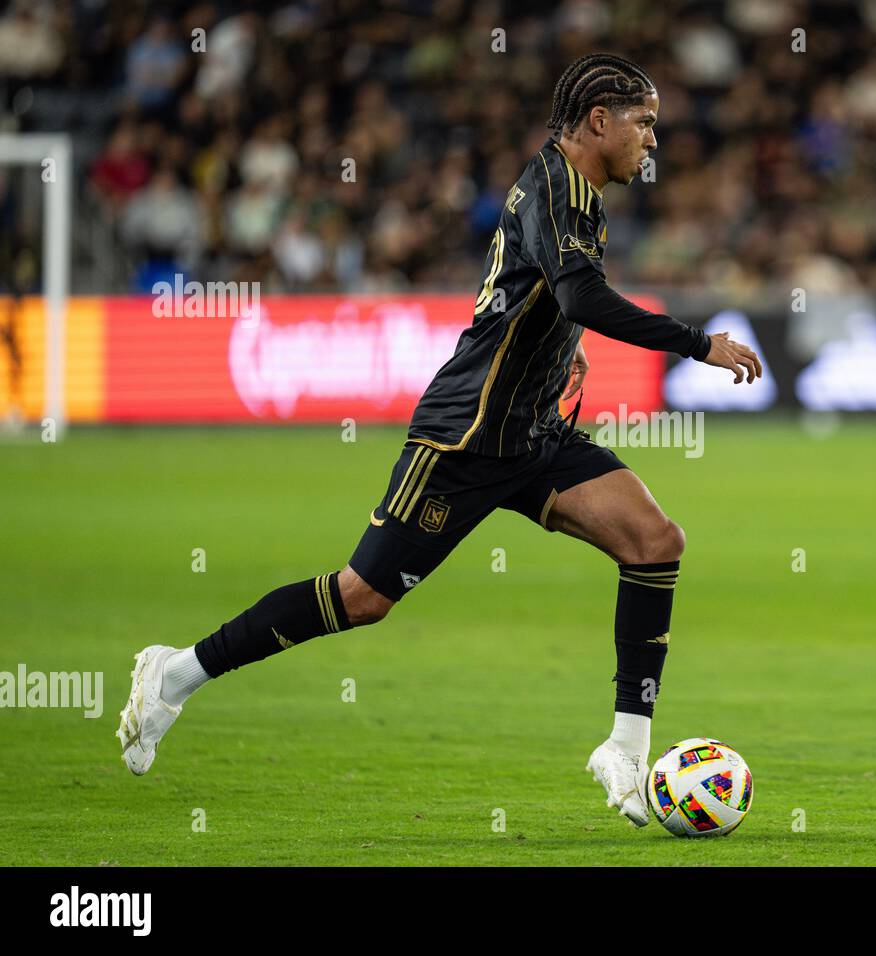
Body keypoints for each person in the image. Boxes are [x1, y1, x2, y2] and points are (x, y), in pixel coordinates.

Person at [117, 53, 762, 828]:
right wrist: (699, 342)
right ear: (599, 121)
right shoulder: (557, 184)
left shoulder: (572, 189)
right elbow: (579, 290)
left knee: (656, 541)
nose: (653, 142)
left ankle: (625, 746)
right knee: (362, 598)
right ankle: (175, 674)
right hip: (464, 437)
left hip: (533, 433)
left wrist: (565, 343)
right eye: (645, 123)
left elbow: (532, 290)